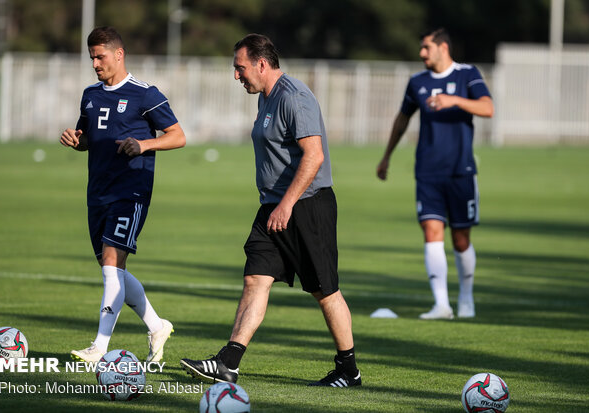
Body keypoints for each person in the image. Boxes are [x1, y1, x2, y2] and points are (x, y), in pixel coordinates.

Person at [180, 34, 361, 387]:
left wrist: (287, 205)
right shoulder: (266, 98)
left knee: (324, 290)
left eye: (240, 67)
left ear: (262, 64)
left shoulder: (294, 98)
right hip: (272, 208)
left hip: (306, 207)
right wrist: (276, 206)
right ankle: (227, 362)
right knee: (255, 279)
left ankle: (348, 370)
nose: (236, 75)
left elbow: (315, 156)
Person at [60, 26, 186, 362]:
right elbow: (89, 137)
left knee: (112, 265)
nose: (95, 63)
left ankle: (99, 347)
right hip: (97, 192)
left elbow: (177, 136)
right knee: (111, 270)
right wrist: (77, 140)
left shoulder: (146, 94)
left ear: (119, 54)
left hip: (131, 191)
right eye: (91, 58)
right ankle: (157, 325)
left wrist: (143, 144)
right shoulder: (90, 94)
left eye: (100, 56)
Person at [376, 28, 493, 320]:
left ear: (443, 47)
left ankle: (466, 298)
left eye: (426, 47)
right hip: (427, 171)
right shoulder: (418, 82)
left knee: (461, 239)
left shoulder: (468, 74)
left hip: (460, 171)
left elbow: (488, 108)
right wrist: (387, 156)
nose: (422, 53)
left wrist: (455, 101)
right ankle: (441, 305)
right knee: (431, 232)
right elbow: (403, 118)